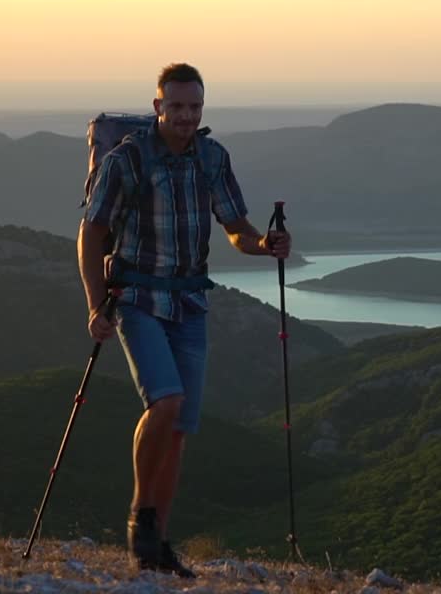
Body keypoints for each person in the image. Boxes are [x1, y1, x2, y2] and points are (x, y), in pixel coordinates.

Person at [77, 63, 291, 577]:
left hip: (190, 303)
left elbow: (235, 227)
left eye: (194, 107)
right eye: (176, 107)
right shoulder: (126, 160)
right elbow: (91, 235)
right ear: (158, 107)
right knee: (166, 402)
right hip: (137, 299)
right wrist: (93, 304)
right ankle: (141, 518)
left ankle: (157, 545)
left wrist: (264, 246)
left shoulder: (212, 158)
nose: (186, 116)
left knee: (179, 429)